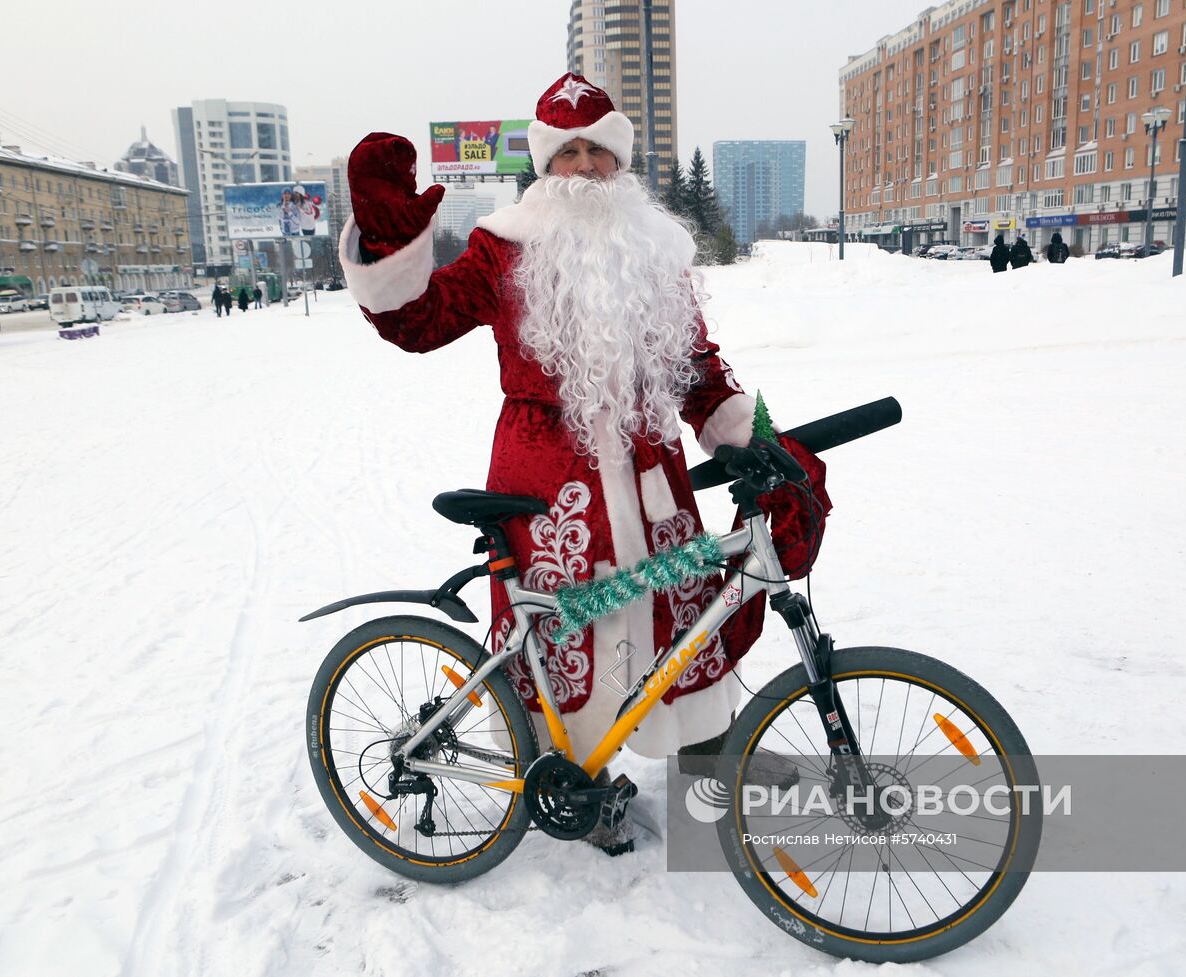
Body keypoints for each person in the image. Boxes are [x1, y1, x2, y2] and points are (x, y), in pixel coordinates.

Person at [341, 73, 829, 854]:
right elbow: (418, 320)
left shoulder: (655, 254)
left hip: (649, 474)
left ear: (620, 163)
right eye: (566, 153)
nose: (583, 168)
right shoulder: (503, 249)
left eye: (597, 152)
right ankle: (582, 784)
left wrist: (755, 436)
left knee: (683, 624)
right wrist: (387, 243)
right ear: (545, 165)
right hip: (546, 487)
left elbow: (698, 368)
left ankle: (711, 754)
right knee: (564, 641)